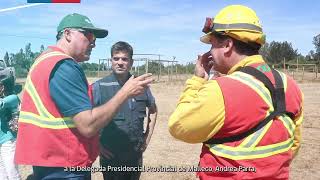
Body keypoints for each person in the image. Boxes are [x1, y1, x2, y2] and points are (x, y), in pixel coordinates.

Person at [168, 5, 303, 180]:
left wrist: (197, 79)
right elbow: (294, 144)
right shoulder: (290, 85)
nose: (210, 52)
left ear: (227, 45)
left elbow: (178, 126)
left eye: (213, 45)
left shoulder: (221, 90)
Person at [14, 13, 154, 179]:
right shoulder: (63, 66)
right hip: (64, 166)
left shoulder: (44, 60)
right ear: (67, 34)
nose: (93, 43)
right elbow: (88, 125)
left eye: (94, 38)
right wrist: (124, 92)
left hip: (53, 162)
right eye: (88, 35)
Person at [92, 41, 158, 180]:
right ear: (111, 61)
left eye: (124, 59)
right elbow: (87, 118)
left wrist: (147, 136)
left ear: (131, 62)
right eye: (116, 58)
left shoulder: (140, 85)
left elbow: (153, 109)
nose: (120, 62)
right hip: (111, 156)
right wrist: (96, 144)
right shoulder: (99, 87)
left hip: (134, 154)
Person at [0, 76, 21, 180]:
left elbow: (3, 103)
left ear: (2, 87)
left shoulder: (11, 98)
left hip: (7, 141)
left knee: (12, 174)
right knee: (2, 175)